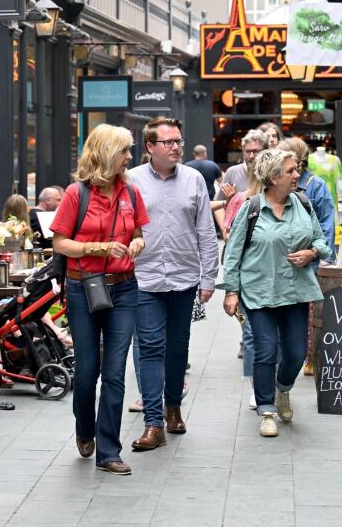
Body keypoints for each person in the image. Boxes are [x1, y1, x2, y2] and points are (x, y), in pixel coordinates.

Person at [51, 123, 149, 476]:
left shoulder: (131, 193)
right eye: (124, 150)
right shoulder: (77, 194)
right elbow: (60, 243)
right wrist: (98, 247)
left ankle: (109, 450)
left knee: (115, 371)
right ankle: (84, 428)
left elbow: (138, 234)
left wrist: (137, 243)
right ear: (107, 152)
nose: (129, 156)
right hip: (84, 288)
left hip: (124, 287)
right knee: (87, 370)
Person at [221, 149, 329, 437]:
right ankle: (266, 409)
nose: (297, 175)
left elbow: (321, 239)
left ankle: (283, 390)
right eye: (292, 171)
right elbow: (232, 253)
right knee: (266, 348)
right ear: (273, 177)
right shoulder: (252, 208)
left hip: (295, 291)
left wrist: (312, 251)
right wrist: (231, 291)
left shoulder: (303, 203)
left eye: (297, 169)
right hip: (259, 291)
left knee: (295, 353)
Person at [126, 116, 219, 451]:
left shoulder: (193, 179)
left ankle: (173, 409)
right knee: (150, 347)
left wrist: (209, 277)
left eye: (179, 141)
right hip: (143, 278)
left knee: (178, 349)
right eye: (169, 142)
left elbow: (207, 232)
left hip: (184, 278)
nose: (177, 147)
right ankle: (153, 423)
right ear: (150, 147)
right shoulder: (130, 180)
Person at [278, 138, 336, 376]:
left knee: (306, 316)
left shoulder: (315, 185)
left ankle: (305, 359)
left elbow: (326, 223)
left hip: (307, 265)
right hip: (277, 266)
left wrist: (321, 256)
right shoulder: (272, 184)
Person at [222, 165, 264, 409]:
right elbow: (227, 235)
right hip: (247, 278)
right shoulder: (240, 199)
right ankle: (257, 387)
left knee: (276, 339)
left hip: (276, 280)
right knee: (249, 334)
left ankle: (276, 384)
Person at [213, 129, 269, 233]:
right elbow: (218, 205)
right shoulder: (232, 172)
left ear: (265, 151)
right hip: (237, 234)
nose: (251, 156)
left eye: (256, 151)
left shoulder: (271, 174)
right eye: (247, 151)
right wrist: (225, 233)